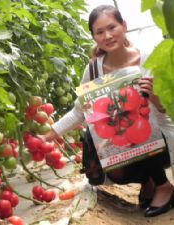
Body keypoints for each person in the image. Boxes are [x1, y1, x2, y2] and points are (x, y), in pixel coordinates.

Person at [39, 5, 174, 217]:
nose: (108, 35)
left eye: (112, 27)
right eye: (99, 32)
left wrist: (157, 99)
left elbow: (166, 113)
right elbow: (78, 112)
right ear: (93, 36)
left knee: (138, 124)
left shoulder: (148, 60)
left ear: (124, 26)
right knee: (116, 169)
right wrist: (48, 135)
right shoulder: (94, 69)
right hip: (125, 139)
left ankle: (163, 185)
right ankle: (147, 180)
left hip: (159, 138)